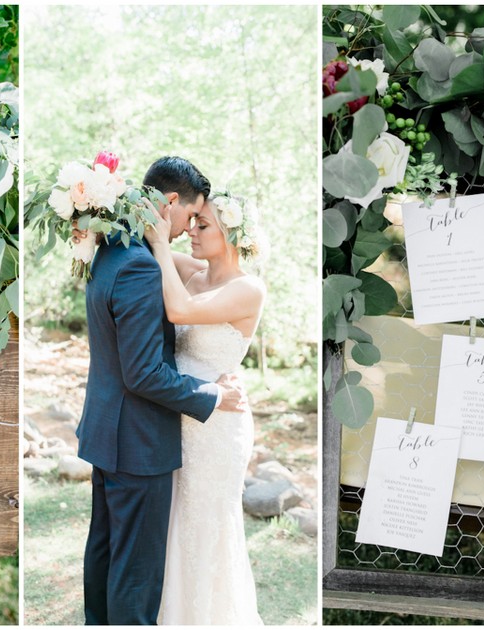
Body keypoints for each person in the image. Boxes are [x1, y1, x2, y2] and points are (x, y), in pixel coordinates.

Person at [76, 156, 247, 625]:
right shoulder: (141, 268)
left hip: (108, 436)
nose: (187, 228)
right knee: (136, 576)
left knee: (106, 557)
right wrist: (211, 395)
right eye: (190, 216)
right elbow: (145, 374)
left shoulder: (112, 247)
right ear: (170, 202)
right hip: (139, 443)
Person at [145, 190, 266, 624]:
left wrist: (163, 244)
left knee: (205, 528)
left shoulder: (248, 289)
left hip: (218, 425)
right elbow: (141, 246)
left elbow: (178, 311)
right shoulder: (194, 271)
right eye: (192, 222)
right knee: (176, 523)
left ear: (230, 233)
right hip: (179, 416)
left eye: (203, 225)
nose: (191, 231)